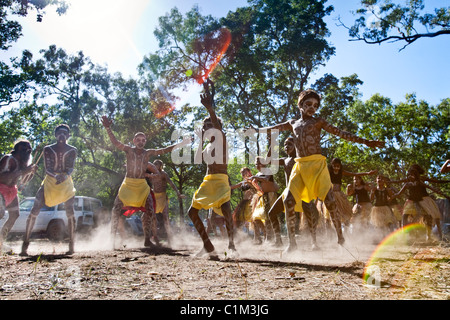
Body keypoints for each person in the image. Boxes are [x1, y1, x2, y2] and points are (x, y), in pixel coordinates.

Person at [254, 89, 384, 253]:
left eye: (315, 105)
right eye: (308, 104)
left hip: (317, 166)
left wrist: (366, 142)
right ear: (300, 105)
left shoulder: (318, 122)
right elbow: (273, 128)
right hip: (300, 166)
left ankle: (340, 238)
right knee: (288, 201)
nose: (312, 108)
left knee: (329, 202)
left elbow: (341, 133)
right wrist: (257, 130)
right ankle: (292, 244)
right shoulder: (292, 123)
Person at [101, 116, 189, 249]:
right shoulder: (128, 150)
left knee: (150, 211)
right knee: (116, 209)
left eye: (143, 140)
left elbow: (165, 149)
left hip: (142, 186)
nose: (141, 142)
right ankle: (111, 240)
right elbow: (115, 142)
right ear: (134, 140)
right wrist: (108, 128)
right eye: (138, 140)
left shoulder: (148, 153)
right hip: (128, 185)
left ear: (145, 141)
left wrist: (181, 144)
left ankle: (147, 239)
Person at [187, 84, 236, 259]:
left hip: (221, 180)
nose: (209, 128)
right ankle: (207, 245)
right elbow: (198, 160)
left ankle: (231, 244)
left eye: (211, 125)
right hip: (208, 181)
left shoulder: (221, 139)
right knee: (192, 212)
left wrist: (209, 109)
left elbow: (216, 124)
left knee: (226, 212)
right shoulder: (207, 145)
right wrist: (200, 140)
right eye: (205, 126)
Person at [21, 124, 77, 256]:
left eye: (64, 133)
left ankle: (72, 244)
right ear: (55, 135)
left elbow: (70, 168)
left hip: (66, 183)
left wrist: (63, 176)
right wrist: (56, 176)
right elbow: (48, 168)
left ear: (68, 135)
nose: (62, 135)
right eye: (59, 133)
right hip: (50, 181)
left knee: (70, 211)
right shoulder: (48, 149)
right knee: (35, 208)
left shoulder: (72, 150)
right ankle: (25, 243)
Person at [393, 165, 449, 241]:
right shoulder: (408, 182)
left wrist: (446, 186)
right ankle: (405, 234)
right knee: (405, 215)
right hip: (413, 200)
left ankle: (436, 236)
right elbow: (398, 183)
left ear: (417, 173)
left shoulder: (421, 180)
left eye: (414, 172)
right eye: (410, 173)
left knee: (432, 217)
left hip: (425, 200)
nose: (411, 175)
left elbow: (434, 184)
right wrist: (389, 183)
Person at [0, 140, 36, 251]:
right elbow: (1, 177)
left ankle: (0, 241)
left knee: (14, 215)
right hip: (1, 189)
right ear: (17, 149)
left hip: (12, 191)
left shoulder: (22, 163)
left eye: (29, 150)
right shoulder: (8, 159)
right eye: (24, 149)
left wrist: (31, 172)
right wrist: (23, 171)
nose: (27, 152)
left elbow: (24, 181)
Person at [146, 159, 185, 246]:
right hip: (154, 197)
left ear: (160, 165)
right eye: (154, 164)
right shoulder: (152, 175)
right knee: (153, 217)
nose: (155, 165)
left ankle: (170, 237)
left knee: (166, 218)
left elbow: (171, 183)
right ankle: (155, 237)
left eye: (157, 164)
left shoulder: (163, 174)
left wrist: (178, 193)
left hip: (163, 197)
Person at [248, 156, 278, 245]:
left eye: (259, 162)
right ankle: (266, 235)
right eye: (256, 163)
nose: (257, 164)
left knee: (269, 217)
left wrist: (256, 178)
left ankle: (271, 238)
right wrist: (247, 184)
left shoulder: (268, 171)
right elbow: (255, 186)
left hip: (271, 196)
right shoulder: (257, 174)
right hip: (263, 197)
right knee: (256, 218)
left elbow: (266, 179)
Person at [231, 167, 258, 239]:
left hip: (252, 202)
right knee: (239, 218)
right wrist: (224, 186)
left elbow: (257, 189)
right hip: (244, 203)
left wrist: (249, 182)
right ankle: (239, 236)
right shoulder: (243, 182)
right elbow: (234, 186)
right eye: (242, 173)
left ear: (249, 171)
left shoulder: (254, 179)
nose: (243, 174)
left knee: (254, 219)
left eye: (245, 172)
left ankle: (257, 237)